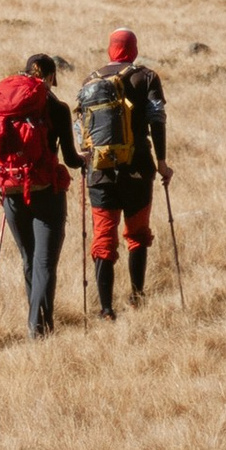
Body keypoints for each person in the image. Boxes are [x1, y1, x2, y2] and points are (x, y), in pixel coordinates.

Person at [0, 51, 81, 338]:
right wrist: (84, 159)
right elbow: (71, 160)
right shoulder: (58, 109)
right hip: (46, 191)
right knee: (45, 262)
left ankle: (37, 323)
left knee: (29, 258)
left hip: (11, 191)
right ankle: (39, 328)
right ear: (50, 77)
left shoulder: (3, 108)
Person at [74, 26, 170, 318]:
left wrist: (87, 161)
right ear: (134, 48)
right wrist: (162, 161)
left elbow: (81, 127)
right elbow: (157, 119)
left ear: (110, 48)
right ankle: (137, 298)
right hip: (138, 168)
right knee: (138, 234)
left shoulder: (90, 80)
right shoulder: (147, 76)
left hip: (100, 172)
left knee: (104, 236)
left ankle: (105, 309)